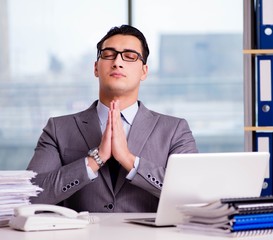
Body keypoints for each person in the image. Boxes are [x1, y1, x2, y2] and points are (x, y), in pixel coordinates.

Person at [27, 24, 198, 213]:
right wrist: (94, 160)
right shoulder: (58, 129)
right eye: (109, 54)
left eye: (130, 56)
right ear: (96, 68)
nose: (117, 62)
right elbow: (31, 195)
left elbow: (191, 195)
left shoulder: (175, 130)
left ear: (144, 71)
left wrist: (129, 160)